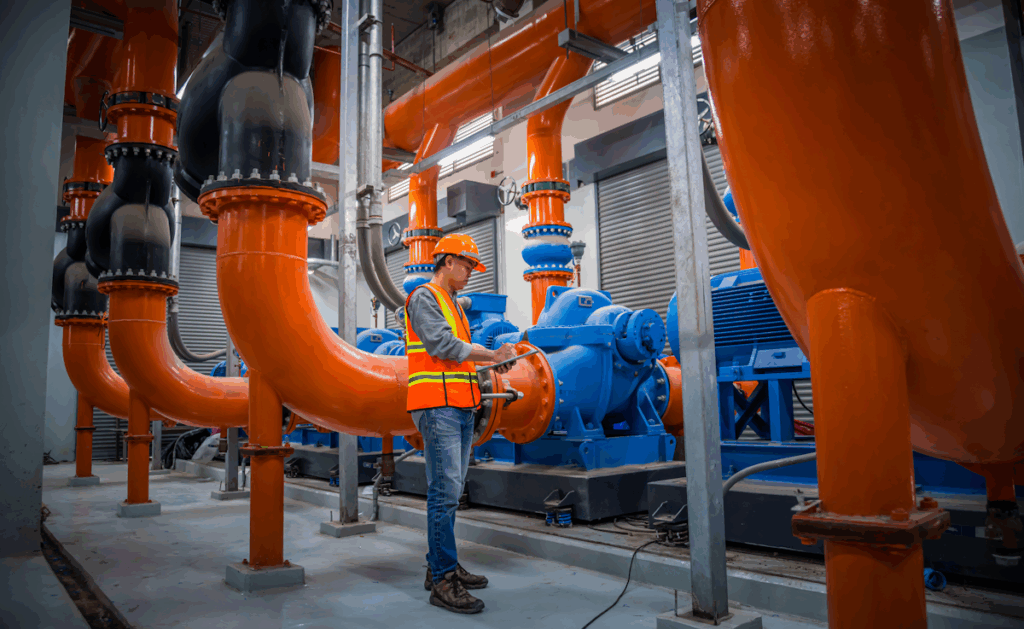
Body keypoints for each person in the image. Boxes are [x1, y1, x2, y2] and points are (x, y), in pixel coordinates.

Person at [404, 233, 518, 614]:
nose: (470, 273)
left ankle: (442, 565)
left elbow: (462, 359)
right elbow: (441, 346)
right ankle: (442, 581)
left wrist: (491, 361)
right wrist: (492, 352)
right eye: (467, 266)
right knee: (444, 493)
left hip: (460, 405)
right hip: (437, 406)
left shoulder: (452, 303)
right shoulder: (424, 297)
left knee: (450, 493)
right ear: (448, 262)